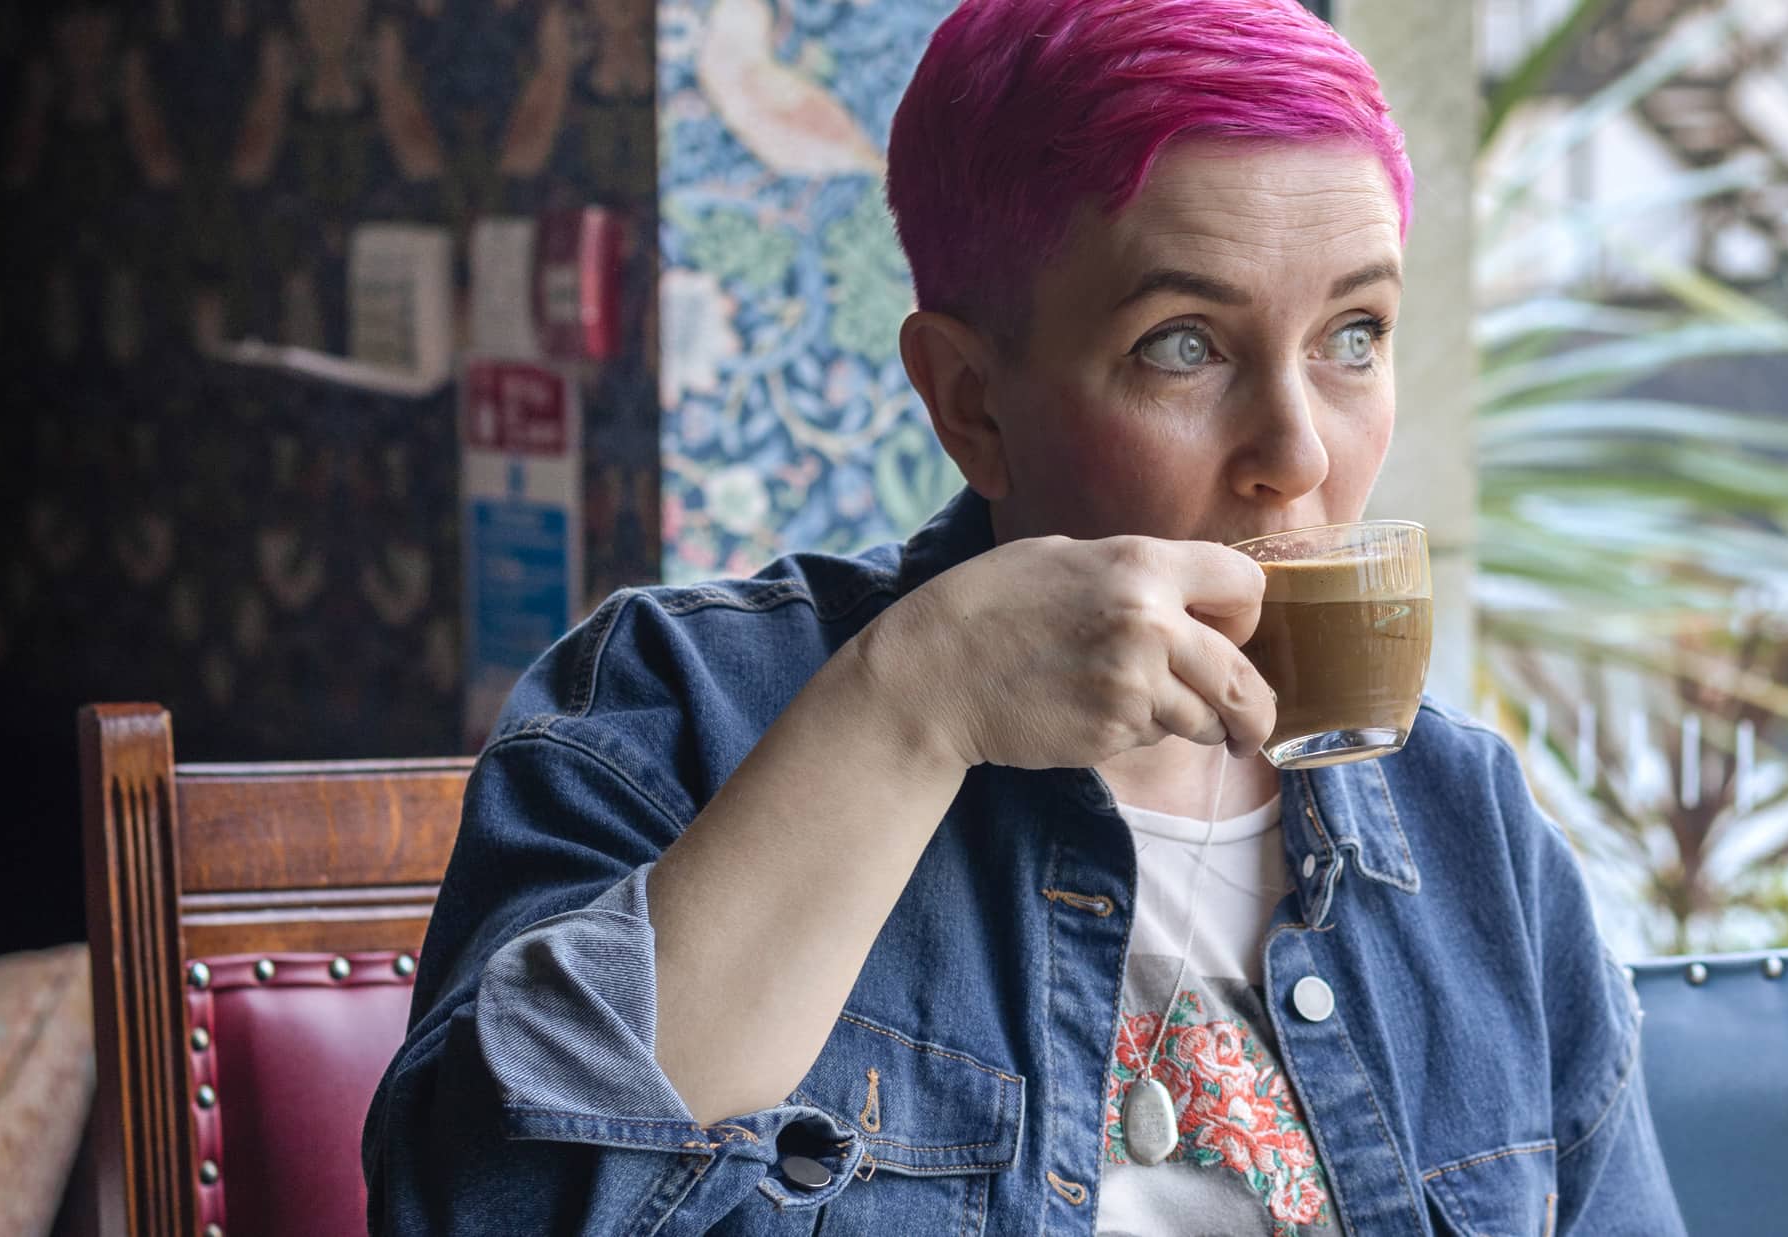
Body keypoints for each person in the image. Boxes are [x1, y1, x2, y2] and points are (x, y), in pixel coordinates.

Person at [362, 1, 1684, 1232]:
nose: (1300, 451)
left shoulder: (1469, 832)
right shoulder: (679, 711)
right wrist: (912, 705)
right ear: (970, 402)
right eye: (1185, 343)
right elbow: (485, 1201)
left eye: (1354, 335)